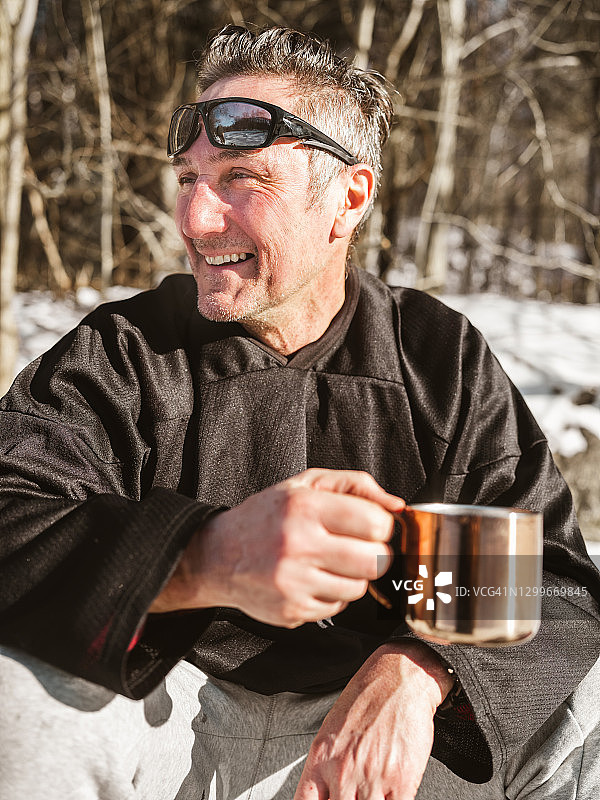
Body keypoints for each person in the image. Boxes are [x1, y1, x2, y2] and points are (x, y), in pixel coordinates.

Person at [0, 23, 599, 800]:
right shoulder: (125, 354)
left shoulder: (432, 357)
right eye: (187, 179)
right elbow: (12, 515)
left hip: (381, 746)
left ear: (348, 197)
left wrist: (429, 671)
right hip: (168, 725)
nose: (195, 219)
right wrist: (206, 559)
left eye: (241, 178)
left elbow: (553, 584)